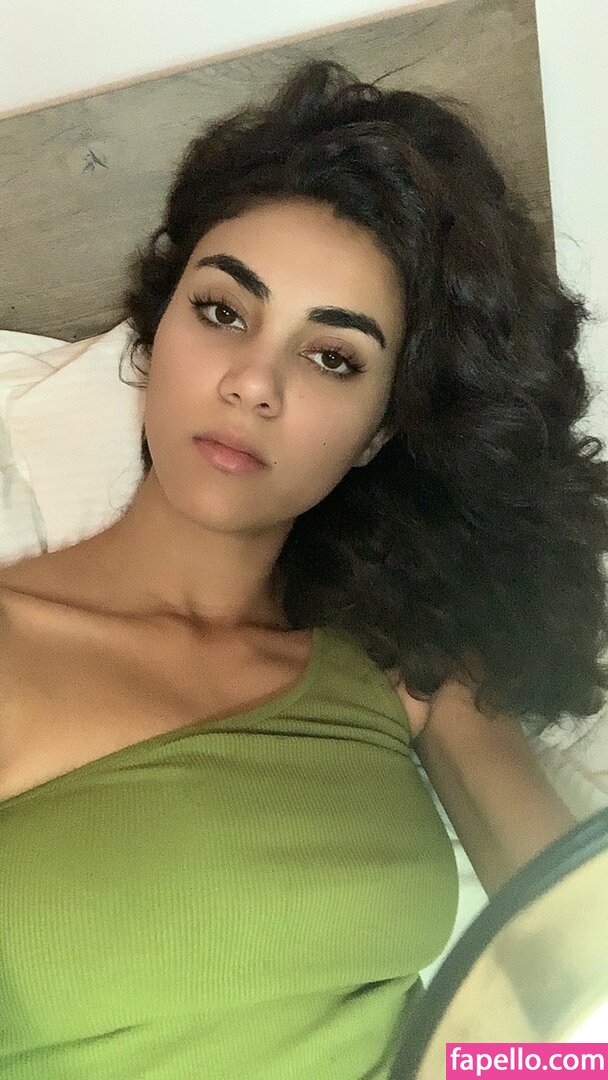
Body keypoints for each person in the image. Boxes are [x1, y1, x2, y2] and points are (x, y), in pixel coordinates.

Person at [0, 59, 605, 1079]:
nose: (253, 383)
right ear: (155, 329)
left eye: (333, 358)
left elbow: (581, 1005)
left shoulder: (403, 663)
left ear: (377, 434)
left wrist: (476, 1071)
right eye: (223, 312)